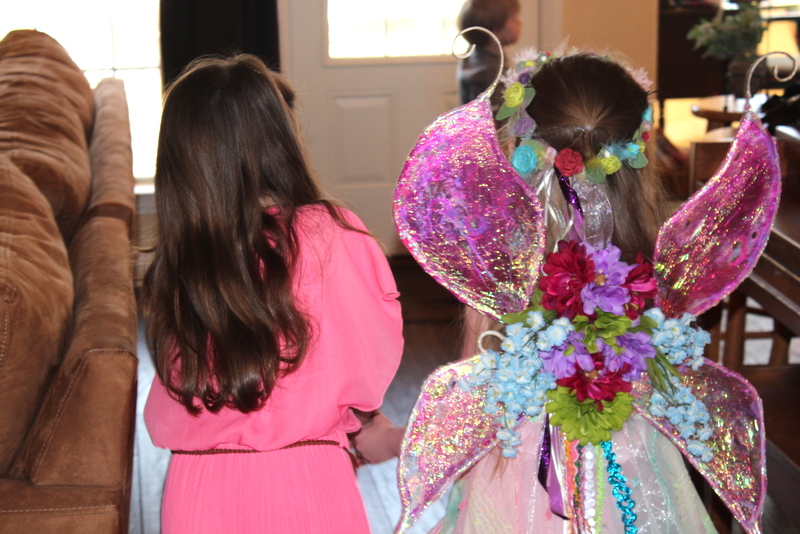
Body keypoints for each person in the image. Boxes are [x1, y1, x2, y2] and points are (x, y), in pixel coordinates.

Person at [394, 47, 770, 533]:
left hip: (515, 468)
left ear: (520, 145)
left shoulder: (500, 261)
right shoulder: (651, 262)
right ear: (638, 151)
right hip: (633, 460)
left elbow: (476, 383)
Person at [142, 53, 404, 534]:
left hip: (196, 493)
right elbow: (359, 364)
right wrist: (363, 424)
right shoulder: (331, 236)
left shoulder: (181, 264)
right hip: (307, 483)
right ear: (280, 138)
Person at [456, 0, 521, 108]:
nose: (519, 22)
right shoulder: (490, 72)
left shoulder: (474, 54)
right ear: (495, 29)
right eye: (514, 19)